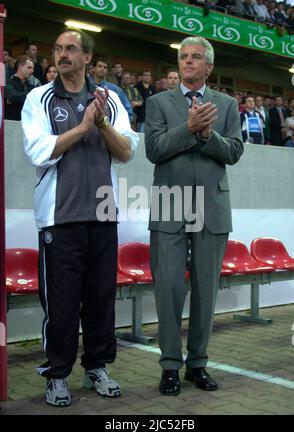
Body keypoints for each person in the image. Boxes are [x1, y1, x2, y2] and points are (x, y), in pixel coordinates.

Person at [21, 29, 138, 407]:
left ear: (87, 56)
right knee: (62, 303)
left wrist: (101, 123)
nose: (62, 54)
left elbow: (126, 152)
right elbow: (39, 151)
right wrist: (83, 128)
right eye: (57, 48)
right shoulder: (39, 97)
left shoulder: (111, 100)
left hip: (103, 215)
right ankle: (56, 374)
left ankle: (97, 367)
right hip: (59, 217)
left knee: (101, 298)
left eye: (70, 48)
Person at [145, 36, 243, 396]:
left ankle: (197, 364)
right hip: (171, 203)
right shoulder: (157, 103)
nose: (187, 62)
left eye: (195, 57)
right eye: (183, 57)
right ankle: (170, 365)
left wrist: (206, 134)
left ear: (209, 66)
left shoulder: (228, 105)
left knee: (205, 290)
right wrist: (189, 128)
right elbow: (154, 150)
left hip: (212, 207)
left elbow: (233, 151)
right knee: (168, 287)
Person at [90, 57, 133, 123]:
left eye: (105, 67)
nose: (102, 69)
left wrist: (122, 125)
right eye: (99, 66)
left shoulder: (114, 89)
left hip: (107, 125)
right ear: (93, 69)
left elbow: (127, 108)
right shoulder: (85, 85)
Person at [4, 55, 35, 121]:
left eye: (33, 68)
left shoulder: (31, 87)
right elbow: (13, 96)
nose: (32, 71)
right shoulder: (7, 82)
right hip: (10, 124)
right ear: (20, 67)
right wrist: (30, 96)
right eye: (29, 67)